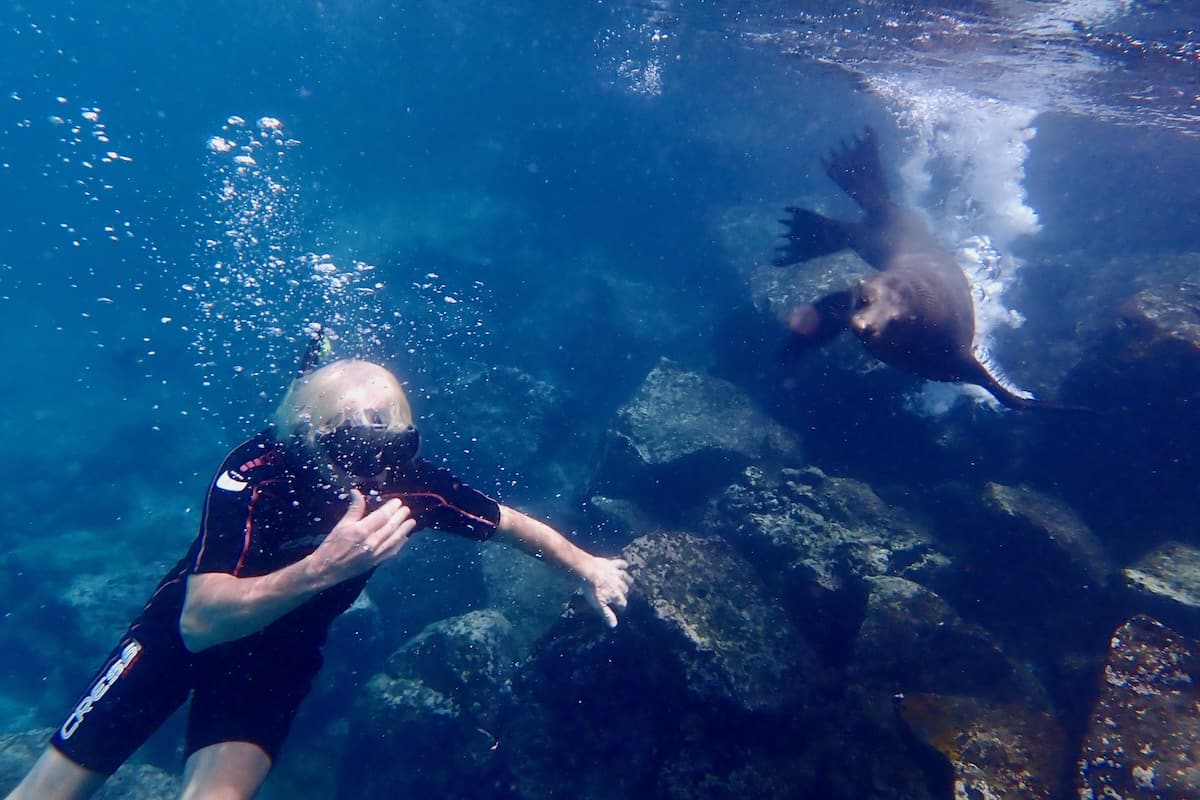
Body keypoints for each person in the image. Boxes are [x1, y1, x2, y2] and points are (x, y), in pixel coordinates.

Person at [5, 356, 633, 800]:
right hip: (174, 640)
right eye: (361, 454)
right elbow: (200, 622)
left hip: (278, 655)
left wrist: (586, 565)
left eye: (398, 449)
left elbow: (509, 524)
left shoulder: (405, 485)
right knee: (49, 793)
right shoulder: (255, 473)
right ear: (312, 440)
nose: (379, 474)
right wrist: (323, 569)